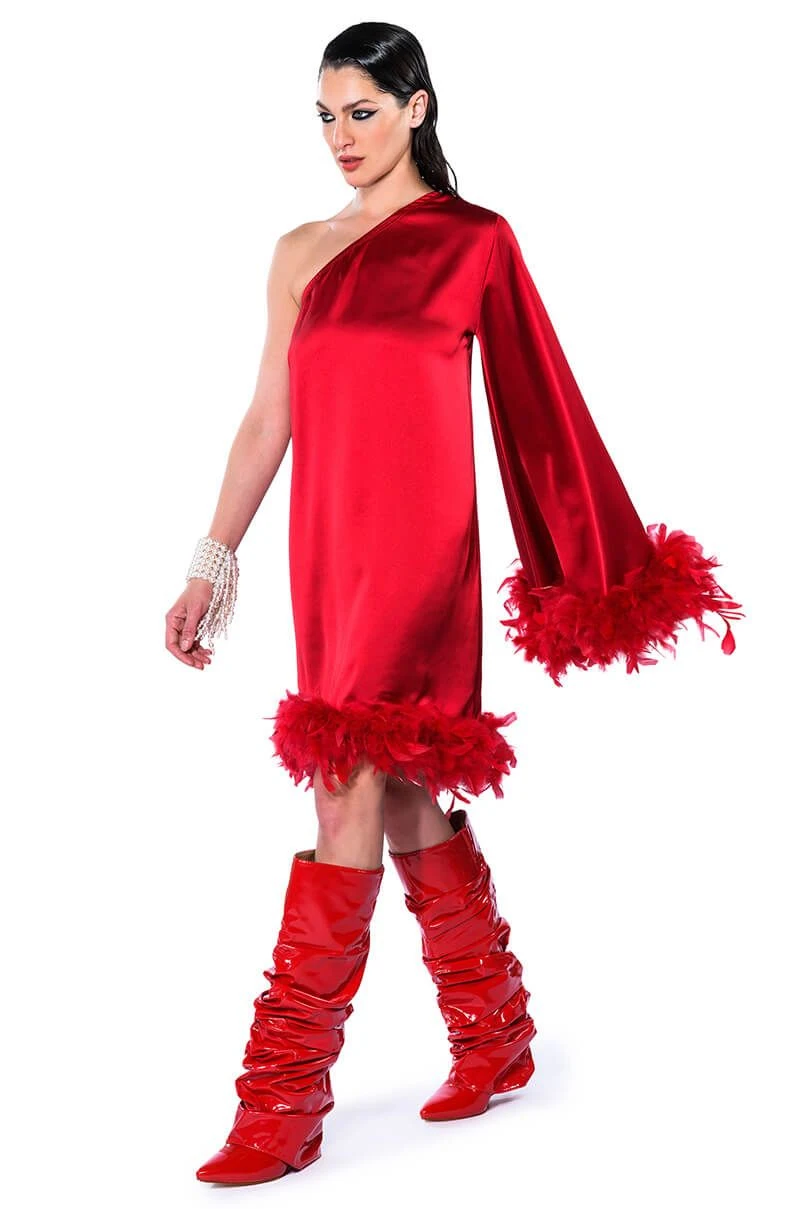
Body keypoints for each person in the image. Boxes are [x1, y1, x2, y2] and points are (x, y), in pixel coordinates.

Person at [165, 21, 744, 1188]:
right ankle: (495, 1033)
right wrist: (210, 562)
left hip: (420, 551)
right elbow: (269, 416)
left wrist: (589, 557)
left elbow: (539, 399)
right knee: (405, 794)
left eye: (362, 112)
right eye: (324, 116)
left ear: (416, 107)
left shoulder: (473, 240)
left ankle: (282, 1102)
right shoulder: (299, 250)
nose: (340, 137)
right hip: (328, 556)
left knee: (344, 786)